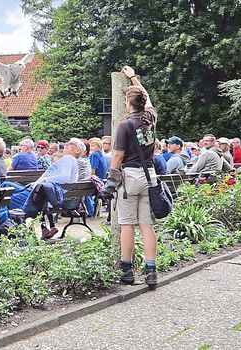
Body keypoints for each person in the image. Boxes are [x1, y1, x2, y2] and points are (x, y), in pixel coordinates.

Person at [108, 65, 159, 287]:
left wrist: (111, 177)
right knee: (147, 226)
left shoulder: (125, 125)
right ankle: (151, 271)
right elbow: (146, 97)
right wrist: (133, 77)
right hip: (150, 176)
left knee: (127, 224)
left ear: (128, 103)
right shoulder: (151, 118)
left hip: (129, 178)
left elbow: (118, 154)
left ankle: (127, 270)